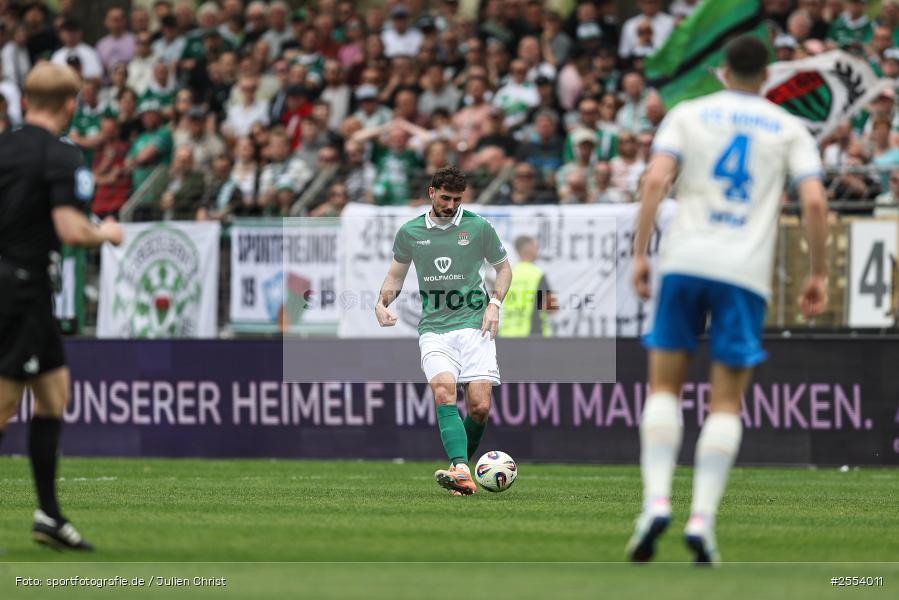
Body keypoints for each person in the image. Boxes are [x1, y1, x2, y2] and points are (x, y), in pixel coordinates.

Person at [626, 35, 829, 565]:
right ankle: (702, 520)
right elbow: (813, 199)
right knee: (725, 403)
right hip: (744, 273)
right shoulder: (789, 127)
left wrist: (641, 254)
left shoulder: (688, 114)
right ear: (768, 74)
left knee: (664, 389)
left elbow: (655, 179)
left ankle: (655, 504)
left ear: (722, 71)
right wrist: (818, 272)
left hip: (684, 261)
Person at [0, 63, 123, 551]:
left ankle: (49, 516)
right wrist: (107, 233)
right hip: (21, 291)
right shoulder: (62, 154)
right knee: (5, 403)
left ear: (25, 101)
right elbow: (72, 230)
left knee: (54, 393)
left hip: (23, 290)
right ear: (71, 105)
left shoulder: (4, 146)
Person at [376, 166, 512, 495]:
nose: (451, 205)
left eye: (457, 199)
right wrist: (382, 302)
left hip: (476, 326)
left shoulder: (478, 227)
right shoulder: (410, 232)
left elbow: (504, 269)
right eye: (446, 198)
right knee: (443, 391)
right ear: (432, 193)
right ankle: (462, 468)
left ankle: (459, 471)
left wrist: (495, 303)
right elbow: (396, 274)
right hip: (434, 329)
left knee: (479, 408)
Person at [498, 236, 558, 337]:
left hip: (507, 336)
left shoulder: (507, 274)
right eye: (536, 246)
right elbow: (551, 308)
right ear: (529, 249)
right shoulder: (537, 274)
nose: (538, 250)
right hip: (532, 336)